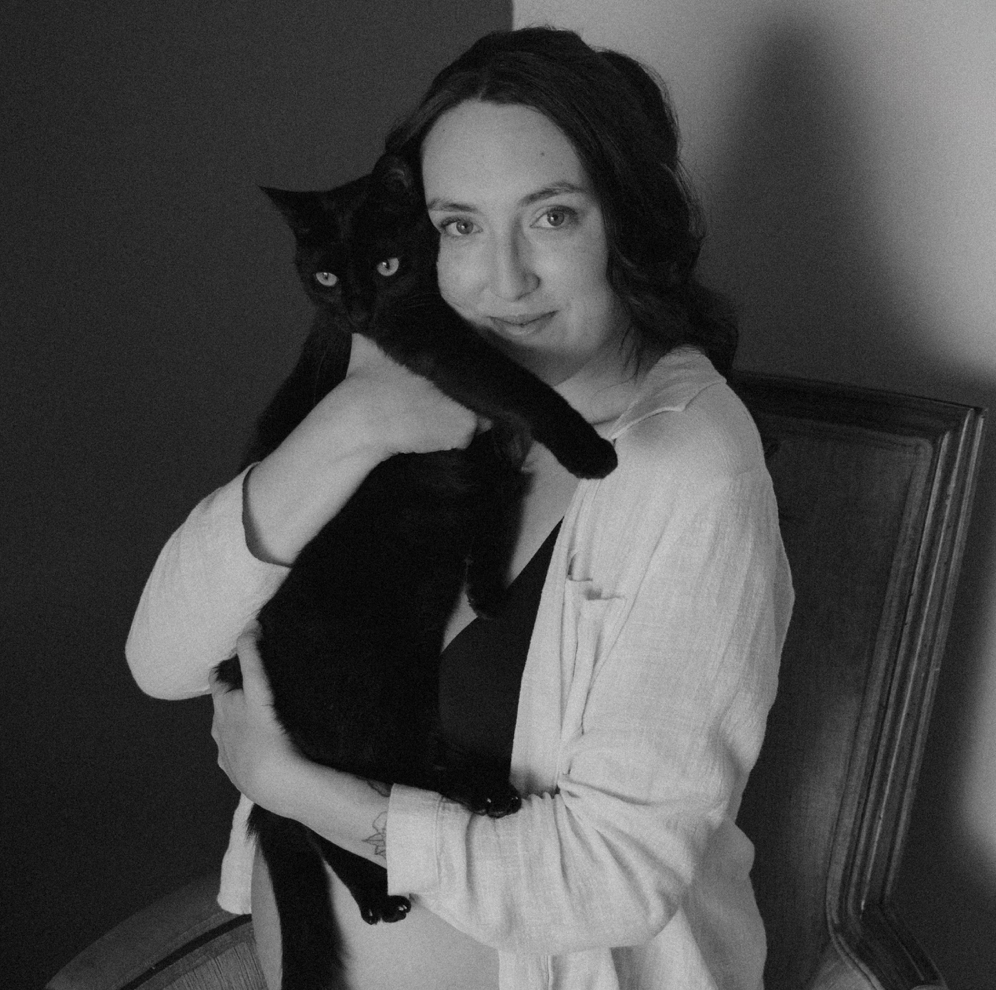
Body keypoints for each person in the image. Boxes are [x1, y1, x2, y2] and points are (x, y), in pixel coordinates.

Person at [126, 26, 793, 990]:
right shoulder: (410, 379)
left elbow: (619, 877)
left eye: (553, 217)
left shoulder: (691, 472)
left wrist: (300, 792)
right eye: (458, 226)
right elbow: (163, 660)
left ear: (628, 222)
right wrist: (348, 427)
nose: (503, 281)